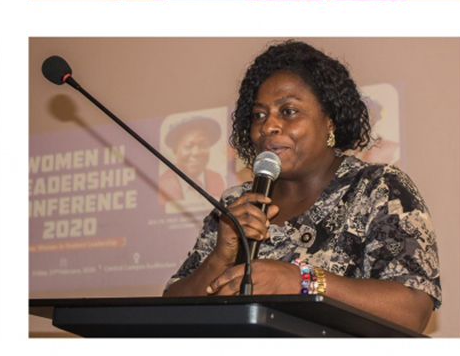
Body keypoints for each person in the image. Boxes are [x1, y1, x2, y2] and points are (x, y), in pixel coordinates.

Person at [162, 41, 439, 333]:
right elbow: (167, 313)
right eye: (259, 115)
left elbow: (412, 310)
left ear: (330, 121)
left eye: (288, 111)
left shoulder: (379, 189)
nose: (268, 126)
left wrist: (300, 280)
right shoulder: (236, 201)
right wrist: (220, 257)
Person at [158, 117, 225, 207]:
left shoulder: (217, 179)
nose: (196, 153)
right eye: (188, 146)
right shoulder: (162, 184)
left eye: (203, 145)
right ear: (175, 150)